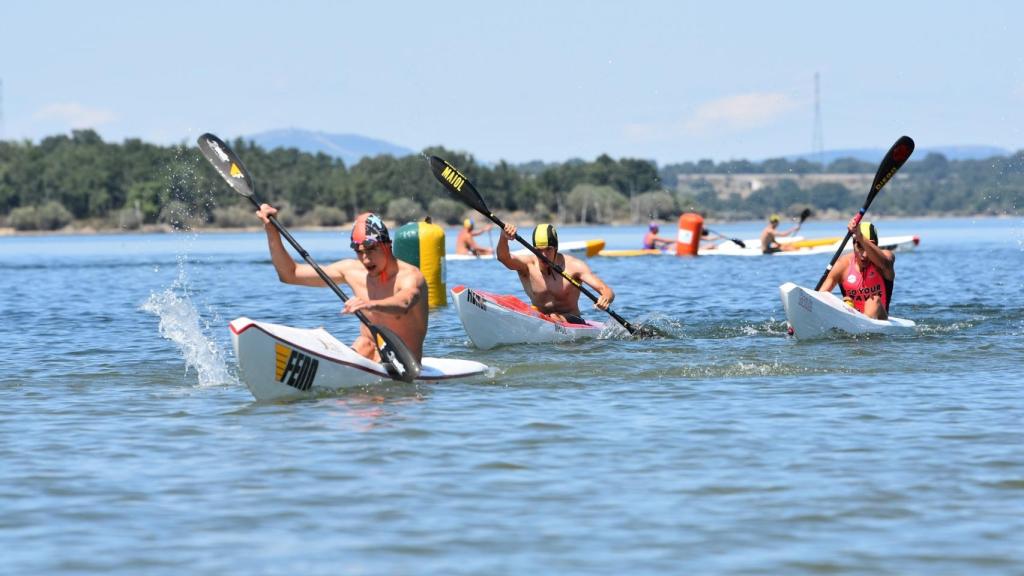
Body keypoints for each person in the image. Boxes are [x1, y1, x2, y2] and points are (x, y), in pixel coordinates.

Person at [256, 205, 428, 361]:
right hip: (368, 358)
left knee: (364, 344)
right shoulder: (351, 270)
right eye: (359, 252)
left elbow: (405, 302)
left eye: (371, 249)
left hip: (406, 367)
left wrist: (370, 304)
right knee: (363, 343)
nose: (366, 259)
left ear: (387, 245)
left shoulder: (410, 276)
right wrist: (271, 230)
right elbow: (290, 274)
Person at [497, 222, 615, 324]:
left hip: (572, 320)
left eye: (548, 249)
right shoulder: (528, 265)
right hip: (539, 318)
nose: (543, 255)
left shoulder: (574, 266)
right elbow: (503, 258)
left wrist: (605, 299)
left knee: (554, 317)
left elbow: (606, 290)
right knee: (511, 301)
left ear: (556, 248)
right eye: (539, 250)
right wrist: (503, 237)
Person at [819, 219, 895, 320]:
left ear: (875, 247)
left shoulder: (886, 259)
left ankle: (864, 322)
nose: (864, 255)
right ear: (853, 245)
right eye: (859, 246)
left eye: (868, 247)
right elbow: (821, 295)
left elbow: (886, 263)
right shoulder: (842, 265)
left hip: (881, 318)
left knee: (873, 301)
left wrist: (860, 236)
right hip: (852, 318)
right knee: (845, 301)